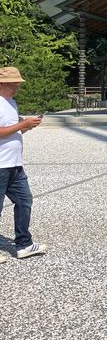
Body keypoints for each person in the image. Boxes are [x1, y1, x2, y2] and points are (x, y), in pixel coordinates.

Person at [0, 67, 47, 261]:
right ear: (3, 83)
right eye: (14, 83)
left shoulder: (11, 103)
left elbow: (12, 131)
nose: (17, 86)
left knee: (24, 200)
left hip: (15, 164)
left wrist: (26, 127)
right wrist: (22, 124)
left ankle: (24, 244)